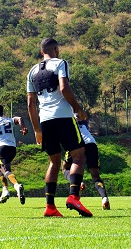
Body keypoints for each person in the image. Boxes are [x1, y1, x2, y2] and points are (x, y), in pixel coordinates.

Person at [27, 37, 92, 218]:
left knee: (54, 162)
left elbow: (30, 103)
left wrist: (36, 130)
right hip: (63, 117)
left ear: (42, 52)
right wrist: (79, 110)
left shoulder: (32, 71)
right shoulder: (61, 63)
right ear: (57, 49)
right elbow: (64, 89)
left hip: (45, 121)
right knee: (79, 155)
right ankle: (74, 197)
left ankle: (50, 207)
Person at [62, 114, 111, 210]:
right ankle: (104, 198)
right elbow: (81, 116)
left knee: (65, 168)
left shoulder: (66, 118)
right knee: (96, 177)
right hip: (91, 143)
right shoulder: (82, 120)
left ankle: (78, 182)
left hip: (77, 143)